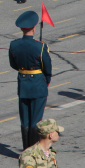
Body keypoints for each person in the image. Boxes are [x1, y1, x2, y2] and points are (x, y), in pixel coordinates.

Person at [9, 10, 53, 150]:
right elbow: (48, 68)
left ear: (22, 29)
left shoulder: (14, 45)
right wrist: (46, 79)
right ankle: (34, 151)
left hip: (23, 84)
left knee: (25, 121)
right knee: (36, 120)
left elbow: (13, 64)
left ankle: (26, 151)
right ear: (34, 28)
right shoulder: (40, 46)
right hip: (38, 85)